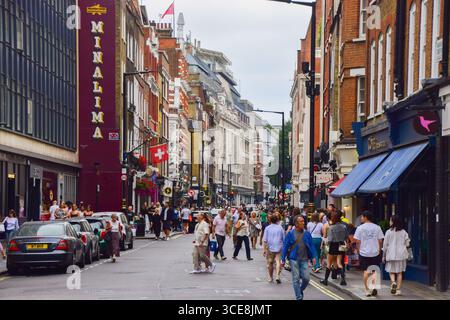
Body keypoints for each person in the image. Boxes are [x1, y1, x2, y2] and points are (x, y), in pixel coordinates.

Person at [281, 215, 316, 300]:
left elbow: (311, 246)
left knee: (306, 278)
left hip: (304, 259)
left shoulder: (307, 233)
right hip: (294, 259)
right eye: (301, 221)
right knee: (296, 279)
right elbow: (285, 246)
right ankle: (299, 297)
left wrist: (314, 257)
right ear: (296, 223)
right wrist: (283, 259)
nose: (303, 223)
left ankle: (299, 290)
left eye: (303, 221)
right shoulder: (290, 234)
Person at [354, 211, 384, 297]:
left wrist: (358, 250)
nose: (361, 218)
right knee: (375, 271)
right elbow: (380, 240)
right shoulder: (377, 227)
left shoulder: (360, 228)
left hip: (364, 253)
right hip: (375, 252)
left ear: (366, 217)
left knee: (366, 271)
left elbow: (357, 241)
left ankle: (367, 290)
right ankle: (374, 287)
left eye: (362, 217)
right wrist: (379, 250)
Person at [382, 215, 410, 296]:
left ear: (393, 222)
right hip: (401, 255)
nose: (389, 222)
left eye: (390, 220)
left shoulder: (388, 232)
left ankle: (393, 282)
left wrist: (383, 256)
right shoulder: (404, 232)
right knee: (399, 273)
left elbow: (385, 245)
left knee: (391, 271)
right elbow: (407, 244)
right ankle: (398, 290)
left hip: (391, 254)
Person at [320, 211, 348, 286]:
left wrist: (326, 244)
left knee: (329, 263)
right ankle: (343, 280)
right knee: (339, 263)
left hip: (333, 246)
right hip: (341, 246)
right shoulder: (344, 227)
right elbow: (346, 237)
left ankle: (325, 280)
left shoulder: (331, 228)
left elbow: (330, 239)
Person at [263, 214, 285, 283]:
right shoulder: (280, 228)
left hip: (270, 247)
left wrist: (264, 249)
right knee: (278, 261)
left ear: (270, 220)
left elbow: (265, 240)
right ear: (277, 220)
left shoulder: (267, 228)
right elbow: (283, 238)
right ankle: (277, 276)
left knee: (270, 262)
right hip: (279, 246)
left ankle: (270, 277)